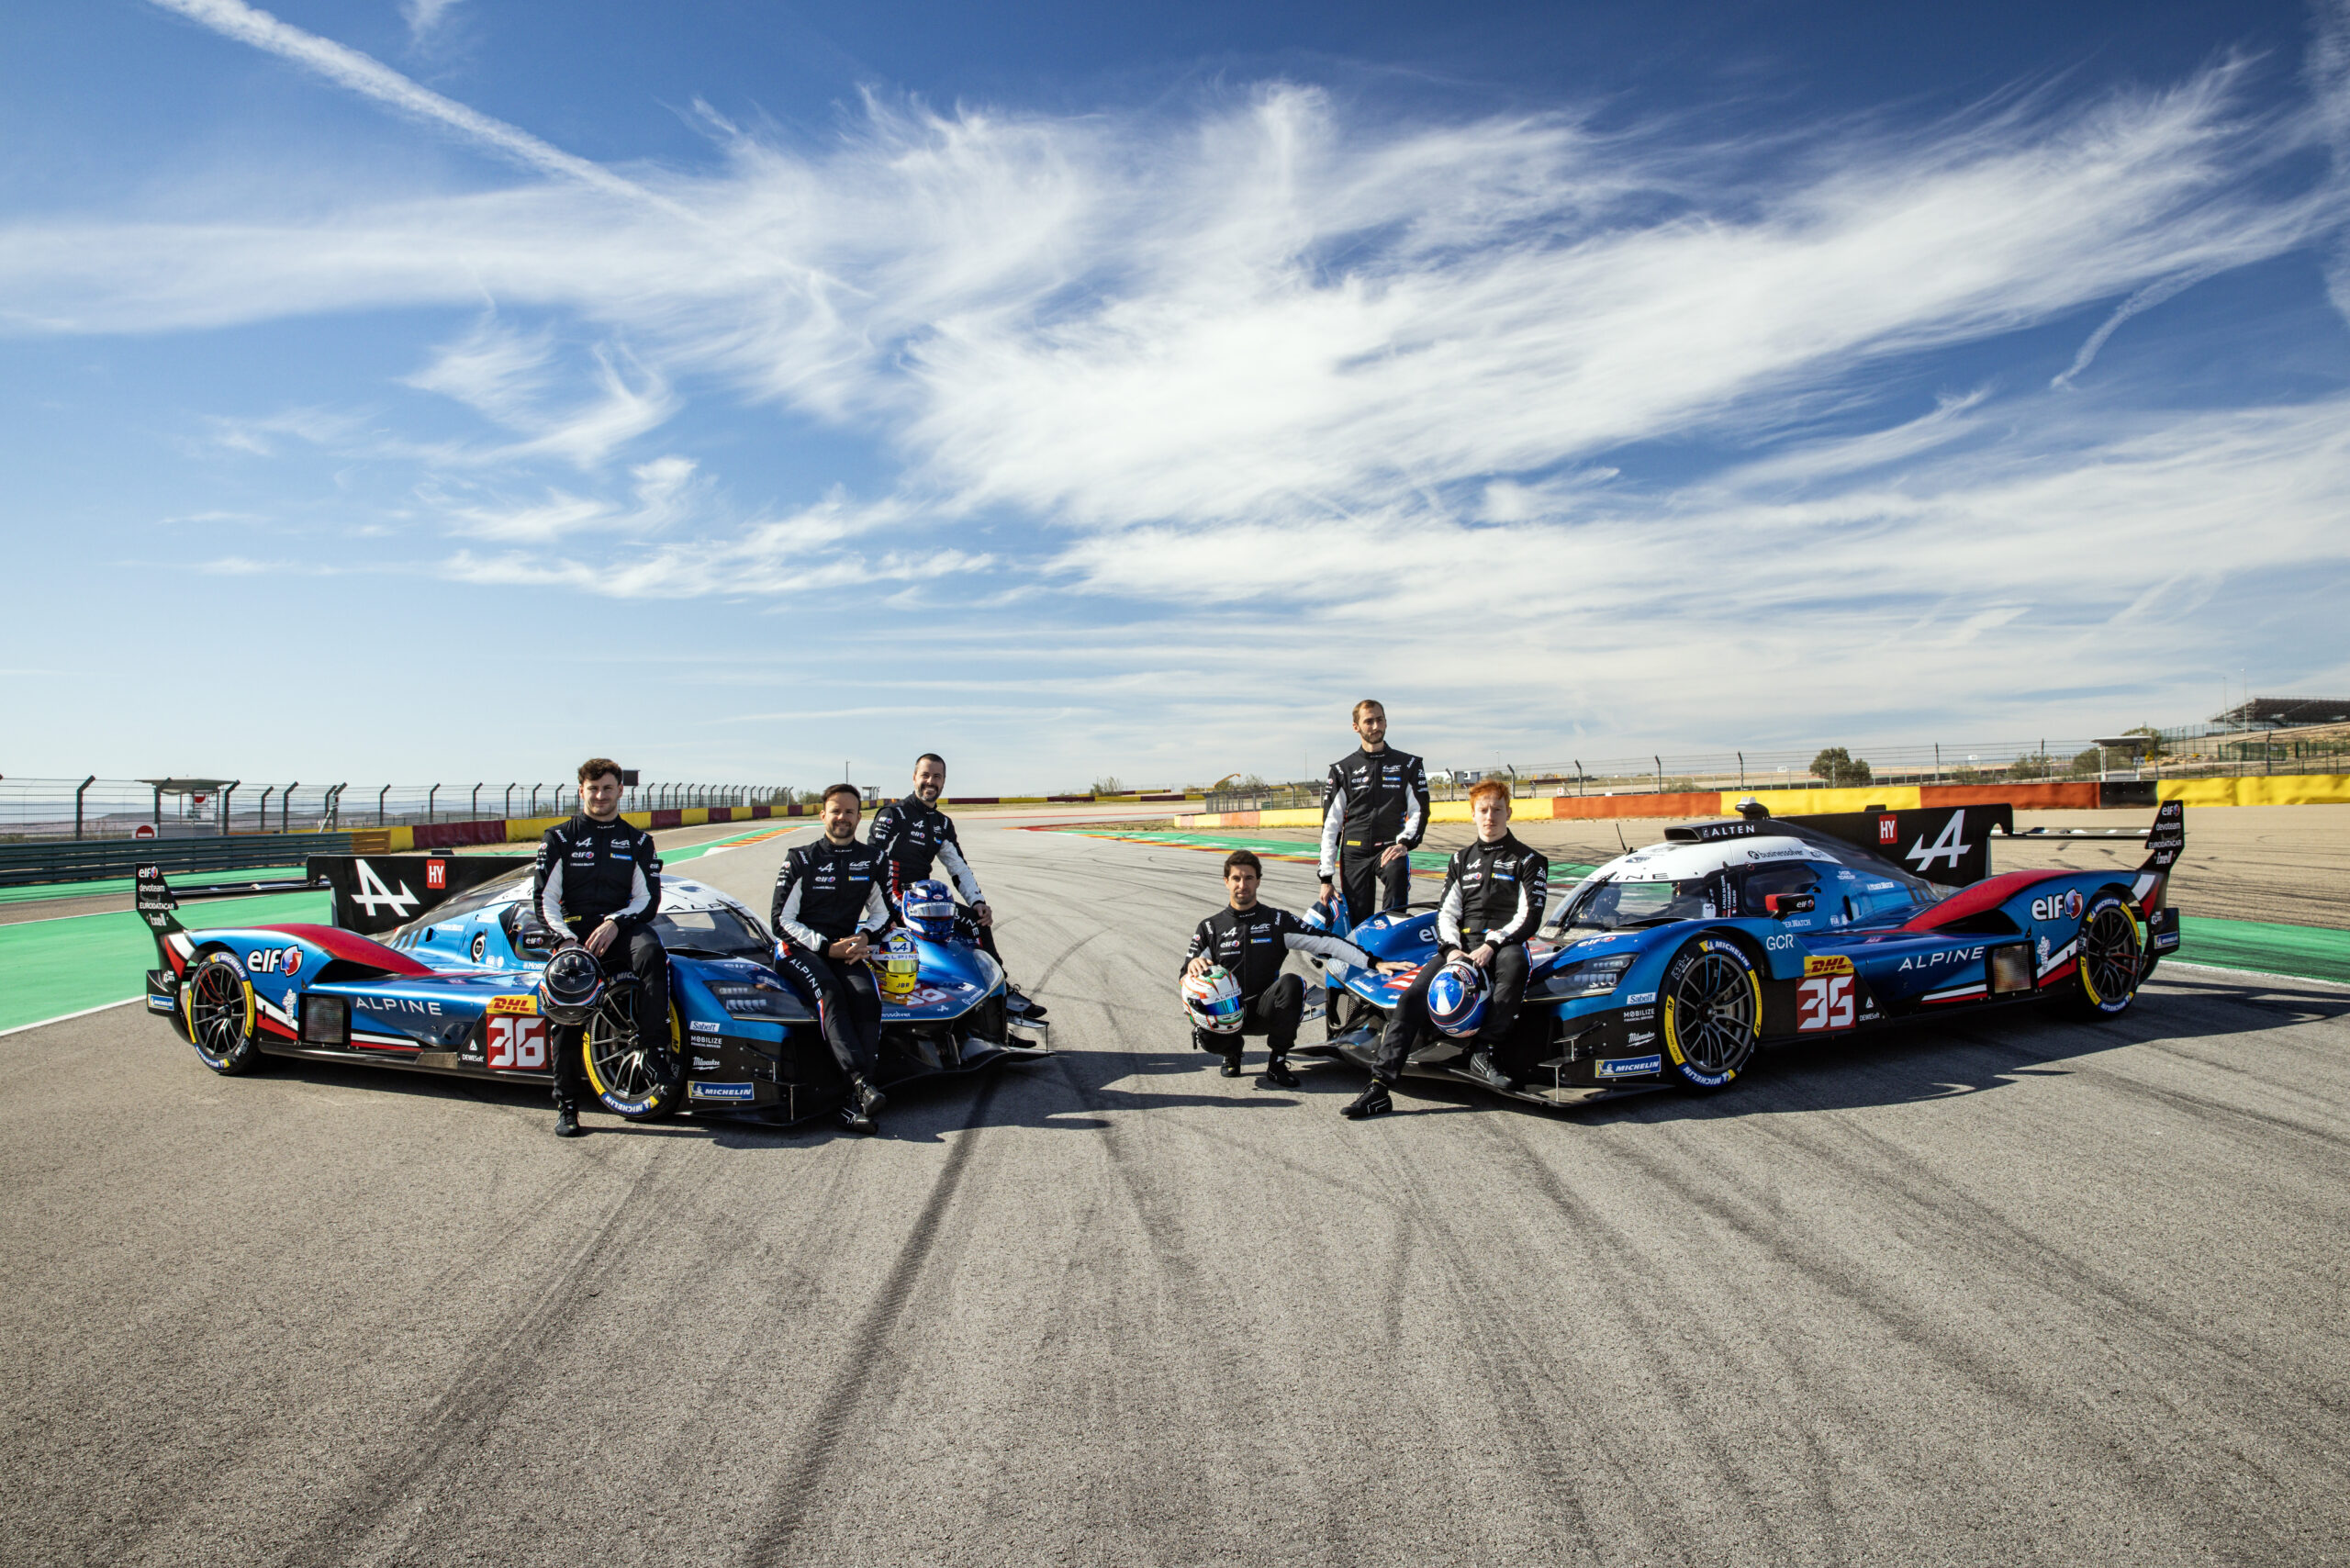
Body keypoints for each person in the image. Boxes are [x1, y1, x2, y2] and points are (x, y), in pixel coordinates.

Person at [1344, 779, 1548, 1119]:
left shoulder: (1529, 859)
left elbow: (1530, 918)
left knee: (1515, 965)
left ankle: (1485, 1053)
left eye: (1497, 810)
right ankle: (1379, 1086)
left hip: (1505, 944)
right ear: (1473, 815)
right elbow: (1447, 913)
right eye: (1483, 810)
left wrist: (1492, 944)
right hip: (1461, 946)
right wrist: (1452, 949)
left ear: (1508, 813)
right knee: (1411, 998)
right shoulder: (1460, 859)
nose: (1490, 817)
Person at [533, 756, 666, 1139]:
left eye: (608, 788)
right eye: (593, 789)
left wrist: (616, 922)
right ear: (581, 791)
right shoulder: (559, 838)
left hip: (619, 927)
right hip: (574, 932)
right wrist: (565, 940)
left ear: (620, 790)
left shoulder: (638, 841)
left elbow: (647, 900)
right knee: (569, 998)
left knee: (652, 953)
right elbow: (544, 899)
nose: (600, 795)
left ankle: (653, 1049)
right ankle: (567, 1104)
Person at [869, 752, 1045, 1019]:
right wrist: (880, 913)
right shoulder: (894, 815)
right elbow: (871, 862)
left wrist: (978, 901)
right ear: (914, 778)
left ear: (943, 781)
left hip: (924, 901)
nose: (930, 781)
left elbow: (958, 867)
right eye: (925, 775)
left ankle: (994, 1005)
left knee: (977, 918)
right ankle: (999, 996)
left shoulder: (942, 823)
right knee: (969, 925)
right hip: (893, 898)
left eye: (937, 776)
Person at [1181, 850, 1370, 1087]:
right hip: (1227, 1011)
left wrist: (1371, 961)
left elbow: (1326, 941)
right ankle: (1231, 1052)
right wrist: (1192, 967)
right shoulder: (1210, 927)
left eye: (1249, 878)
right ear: (1226, 881)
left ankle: (1277, 1062)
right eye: (1236, 878)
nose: (1242, 885)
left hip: (1266, 1010)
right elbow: (1185, 976)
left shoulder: (1277, 920)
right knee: (1207, 1029)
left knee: (1292, 983)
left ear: (1258, 881)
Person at [771, 782, 894, 1135]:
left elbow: (884, 912)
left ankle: (857, 1097)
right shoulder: (801, 858)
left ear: (859, 817)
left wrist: (865, 937)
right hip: (797, 949)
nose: (842, 817)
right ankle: (860, 1083)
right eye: (836, 811)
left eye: (849, 811)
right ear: (822, 814)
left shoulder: (873, 859)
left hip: (845, 949)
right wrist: (826, 948)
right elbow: (780, 921)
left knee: (867, 997)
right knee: (831, 993)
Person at [1317, 700, 1431, 925]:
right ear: (1356, 727)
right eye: (1369, 721)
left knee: (1397, 873)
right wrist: (1326, 878)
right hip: (1354, 853)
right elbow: (1331, 825)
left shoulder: (1408, 764)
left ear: (1386, 722)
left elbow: (1420, 810)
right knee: (1359, 922)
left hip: (1390, 848)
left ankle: (1392, 933)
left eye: (1380, 720)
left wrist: (1405, 843)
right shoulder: (1342, 770)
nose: (1376, 726)